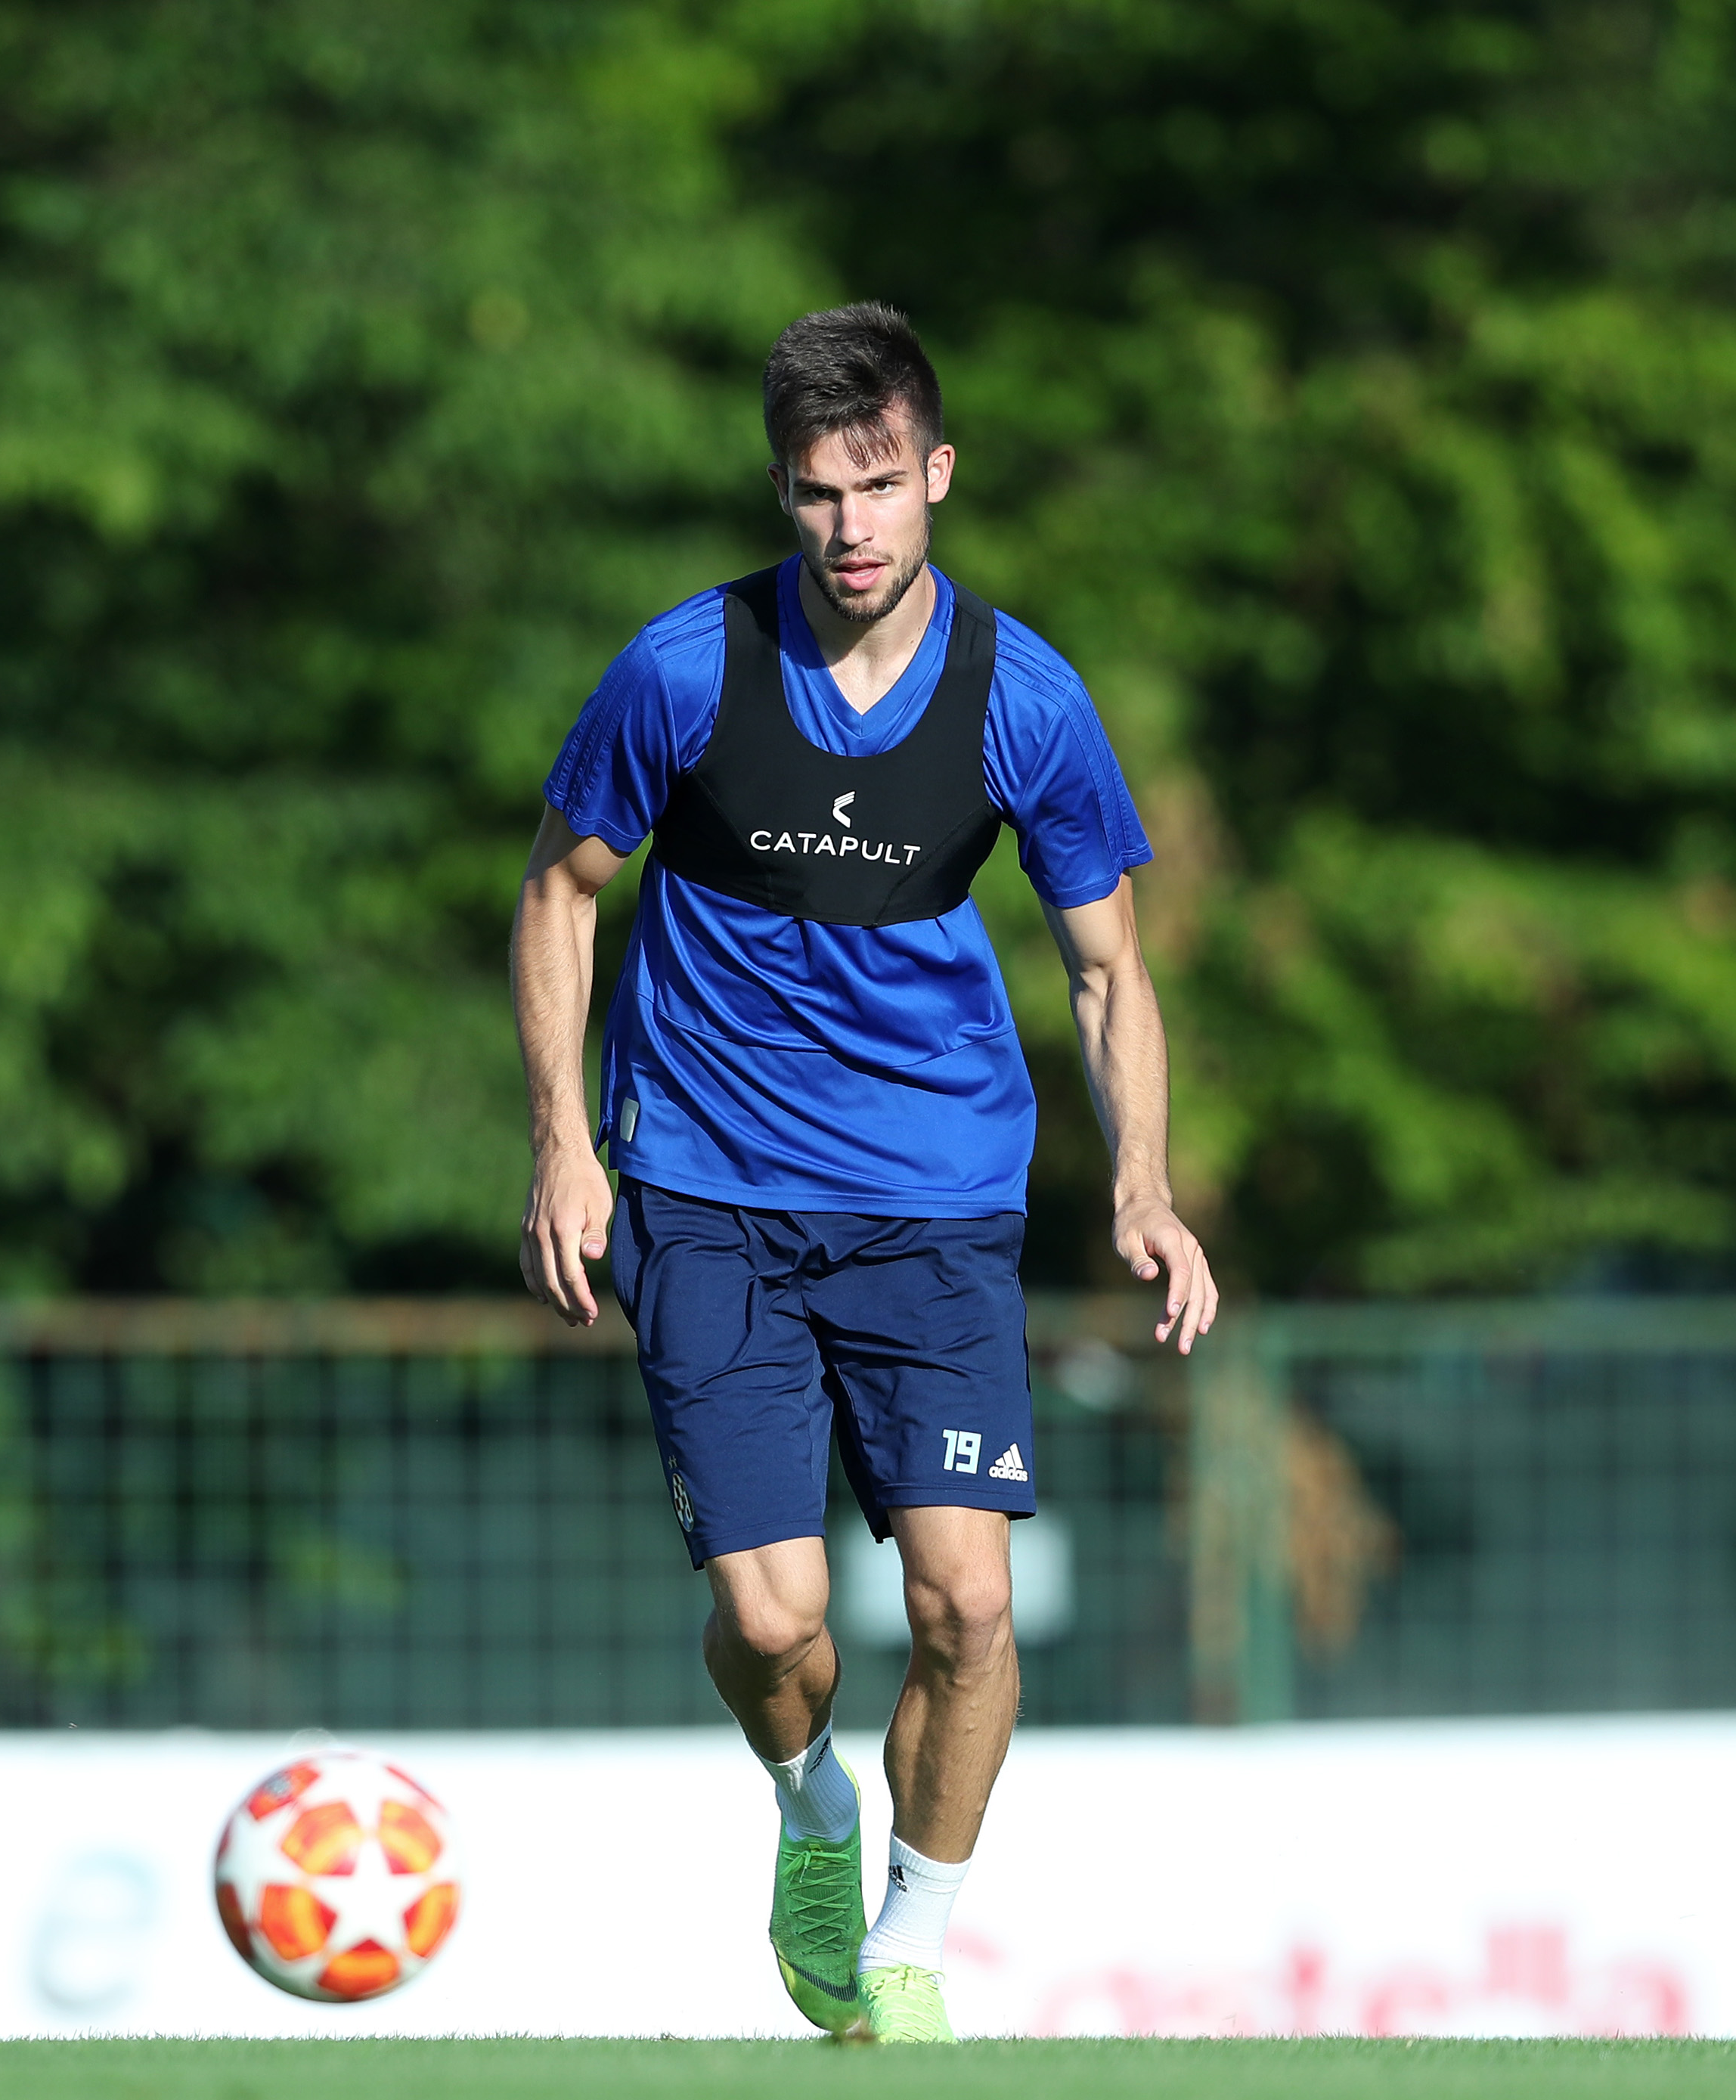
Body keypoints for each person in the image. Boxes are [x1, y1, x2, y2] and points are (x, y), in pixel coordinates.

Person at [507, 302, 1218, 2043]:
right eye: (819, 493)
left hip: (933, 1203)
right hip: (707, 1189)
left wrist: (1141, 1183)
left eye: (880, 485)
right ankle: (810, 1805)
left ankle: (911, 1940)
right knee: (777, 1626)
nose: (850, 526)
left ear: (937, 477)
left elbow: (1109, 967)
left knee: (966, 1604)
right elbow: (559, 892)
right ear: (782, 494)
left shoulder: (1024, 701)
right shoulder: (682, 673)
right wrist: (560, 1144)